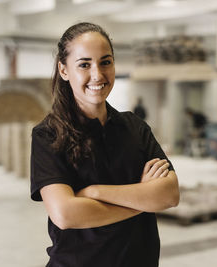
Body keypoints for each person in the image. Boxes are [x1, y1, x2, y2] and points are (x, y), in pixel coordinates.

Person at [30, 22, 179, 267]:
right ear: (64, 70)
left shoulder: (135, 127)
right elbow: (65, 214)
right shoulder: (48, 135)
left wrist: (94, 192)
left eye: (105, 62)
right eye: (84, 64)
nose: (97, 74)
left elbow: (170, 194)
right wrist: (141, 201)